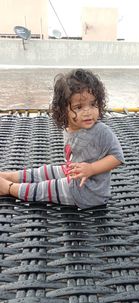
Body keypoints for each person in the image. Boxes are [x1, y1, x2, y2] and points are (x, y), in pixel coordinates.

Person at [0, 68, 124, 209]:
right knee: (46, 171)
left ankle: (9, 187)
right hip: (74, 174)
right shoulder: (71, 127)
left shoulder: (101, 131)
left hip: (88, 192)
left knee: (45, 188)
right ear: (63, 109)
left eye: (93, 104)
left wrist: (91, 168)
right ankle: (10, 176)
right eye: (78, 107)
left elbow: (117, 157)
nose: (88, 111)